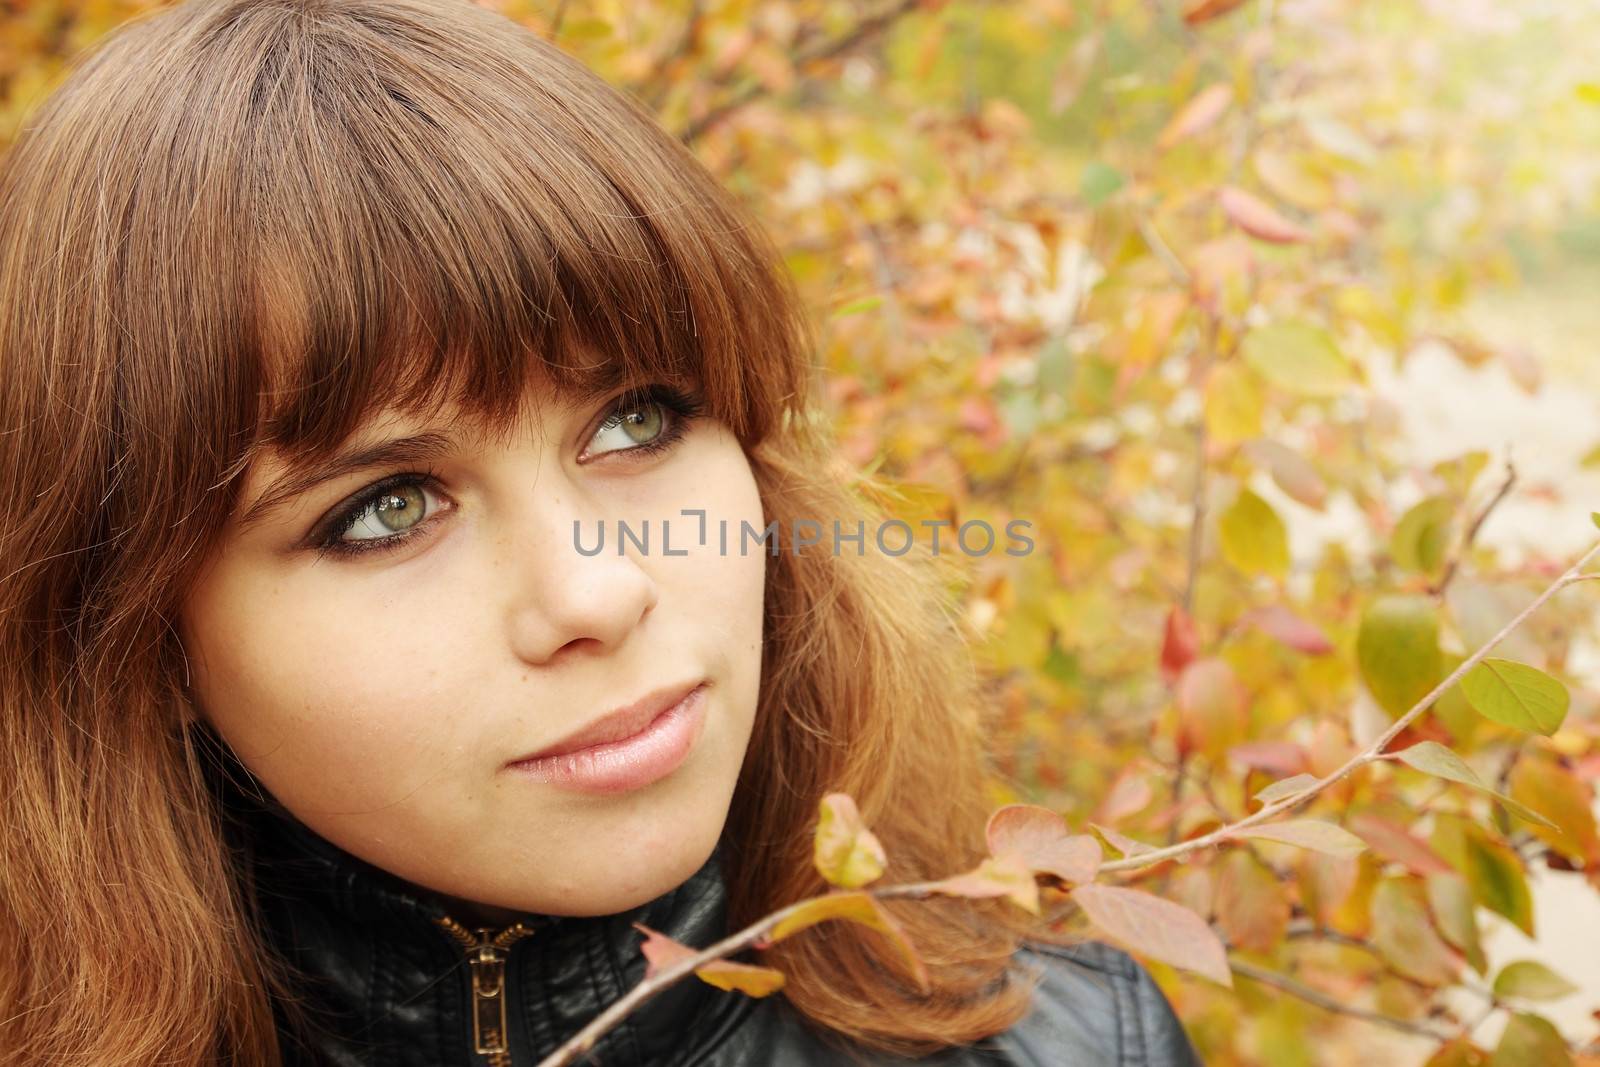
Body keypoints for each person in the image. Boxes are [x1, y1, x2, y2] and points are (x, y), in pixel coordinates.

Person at [0, 1, 1201, 1063]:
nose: (596, 593)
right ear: (142, 643)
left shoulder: (1069, 1038)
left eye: (636, 420)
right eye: (387, 509)